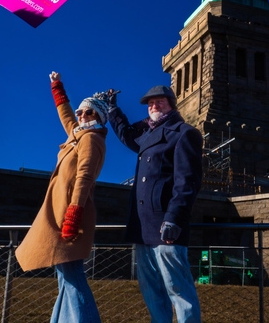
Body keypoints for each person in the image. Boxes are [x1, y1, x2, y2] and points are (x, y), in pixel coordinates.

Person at [15, 72, 109, 323]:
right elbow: (66, 114)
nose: (79, 116)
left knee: (71, 275)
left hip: (70, 213)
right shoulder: (78, 134)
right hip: (59, 211)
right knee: (63, 274)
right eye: (79, 112)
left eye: (86, 112)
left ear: (97, 116)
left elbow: (85, 177)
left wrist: (74, 213)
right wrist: (57, 87)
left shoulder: (91, 138)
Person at [106, 85, 203, 323]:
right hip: (143, 226)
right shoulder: (148, 134)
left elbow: (187, 182)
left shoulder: (184, 133)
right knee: (152, 294)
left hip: (166, 227)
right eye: (150, 103)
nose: (153, 106)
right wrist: (112, 110)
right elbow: (128, 135)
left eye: (159, 102)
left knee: (179, 292)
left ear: (171, 104)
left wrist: (174, 218)